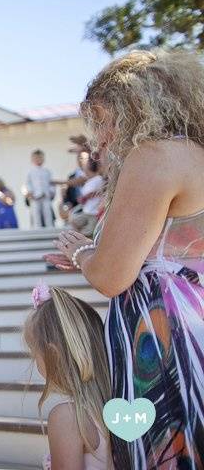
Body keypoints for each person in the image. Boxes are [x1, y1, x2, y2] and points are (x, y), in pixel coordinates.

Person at [46, 50, 204, 469]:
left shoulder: (153, 156)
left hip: (165, 340)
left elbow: (112, 277)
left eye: (101, 119)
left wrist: (80, 250)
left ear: (132, 105)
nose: (98, 139)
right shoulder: (194, 154)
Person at [24, 284, 111, 470]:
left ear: (52, 355)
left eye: (34, 353)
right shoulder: (111, 410)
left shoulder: (67, 418)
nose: (34, 361)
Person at [68, 159, 103, 237]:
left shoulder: (99, 179)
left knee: (89, 233)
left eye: (86, 167)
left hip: (94, 212)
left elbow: (100, 191)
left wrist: (86, 197)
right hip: (86, 211)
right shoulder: (88, 181)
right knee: (73, 222)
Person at [26, 149, 55, 228]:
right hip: (35, 196)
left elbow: (51, 183)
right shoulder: (30, 172)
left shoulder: (47, 171)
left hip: (45, 195)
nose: (38, 160)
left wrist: (52, 191)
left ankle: (50, 227)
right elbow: (28, 183)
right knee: (36, 213)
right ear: (32, 159)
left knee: (47, 212)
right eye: (36, 158)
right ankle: (37, 227)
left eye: (40, 158)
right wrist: (30, 192)